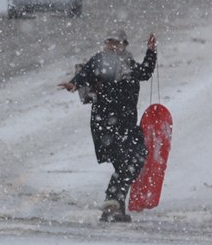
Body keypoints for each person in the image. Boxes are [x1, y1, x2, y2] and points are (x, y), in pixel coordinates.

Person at [58, 29, 157, 223]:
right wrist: (74, 84)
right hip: (106, 124)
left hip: (126, 123)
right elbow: (86, 73)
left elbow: (144, 73)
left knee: (135, 158)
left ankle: (112, 206)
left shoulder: (128, 63)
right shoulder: (100, 60)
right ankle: (113, 206)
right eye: (109, 42)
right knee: (126, 162)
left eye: (116, 42)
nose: (112, 46)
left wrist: (151, 52)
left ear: (124, 45)